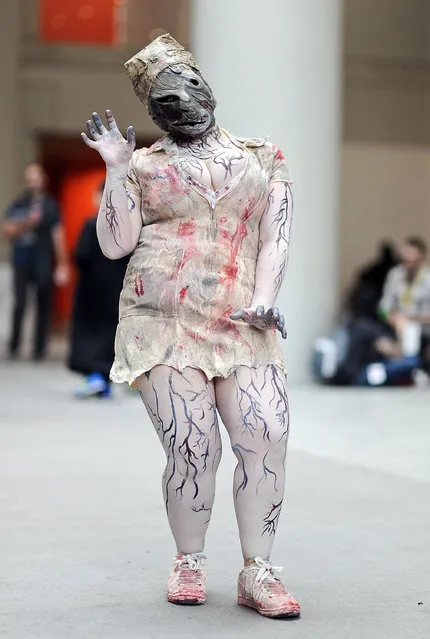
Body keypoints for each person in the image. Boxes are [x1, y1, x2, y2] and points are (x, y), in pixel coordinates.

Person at [81, 34, 300, 619]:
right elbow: (114, 244)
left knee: (267, 435)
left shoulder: (262, 156)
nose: (184, 105)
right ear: (153, 113)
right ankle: (189, 559)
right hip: (162, 322)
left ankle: (259, 571)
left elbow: (274, 235)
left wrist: (264, 298)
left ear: (209, 89)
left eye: (191, 90)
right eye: (166, 101)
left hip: (242, 318)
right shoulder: (144, 164)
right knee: (193, 445)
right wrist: (116, 169)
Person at [2, 163, 69, 360]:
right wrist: (27, 222)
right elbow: (7, 231)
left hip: (43, 261)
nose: (32, 182)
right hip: (22, 260)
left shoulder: (50, 205)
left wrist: (62, 263)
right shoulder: (19, 203)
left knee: (43, 303)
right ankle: (14, 345)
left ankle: (39, 349)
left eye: (36, 177)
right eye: (29, 178)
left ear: (43, 180)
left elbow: (58, 234)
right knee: (20, 302)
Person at [68, 182, 129, 398]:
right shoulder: (125, 226)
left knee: (89, 333)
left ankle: (94, 377)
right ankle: (105, 379)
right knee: (110, 334)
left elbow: (80, 256)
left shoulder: (91, 224)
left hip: (91, 290)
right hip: (116, 288)